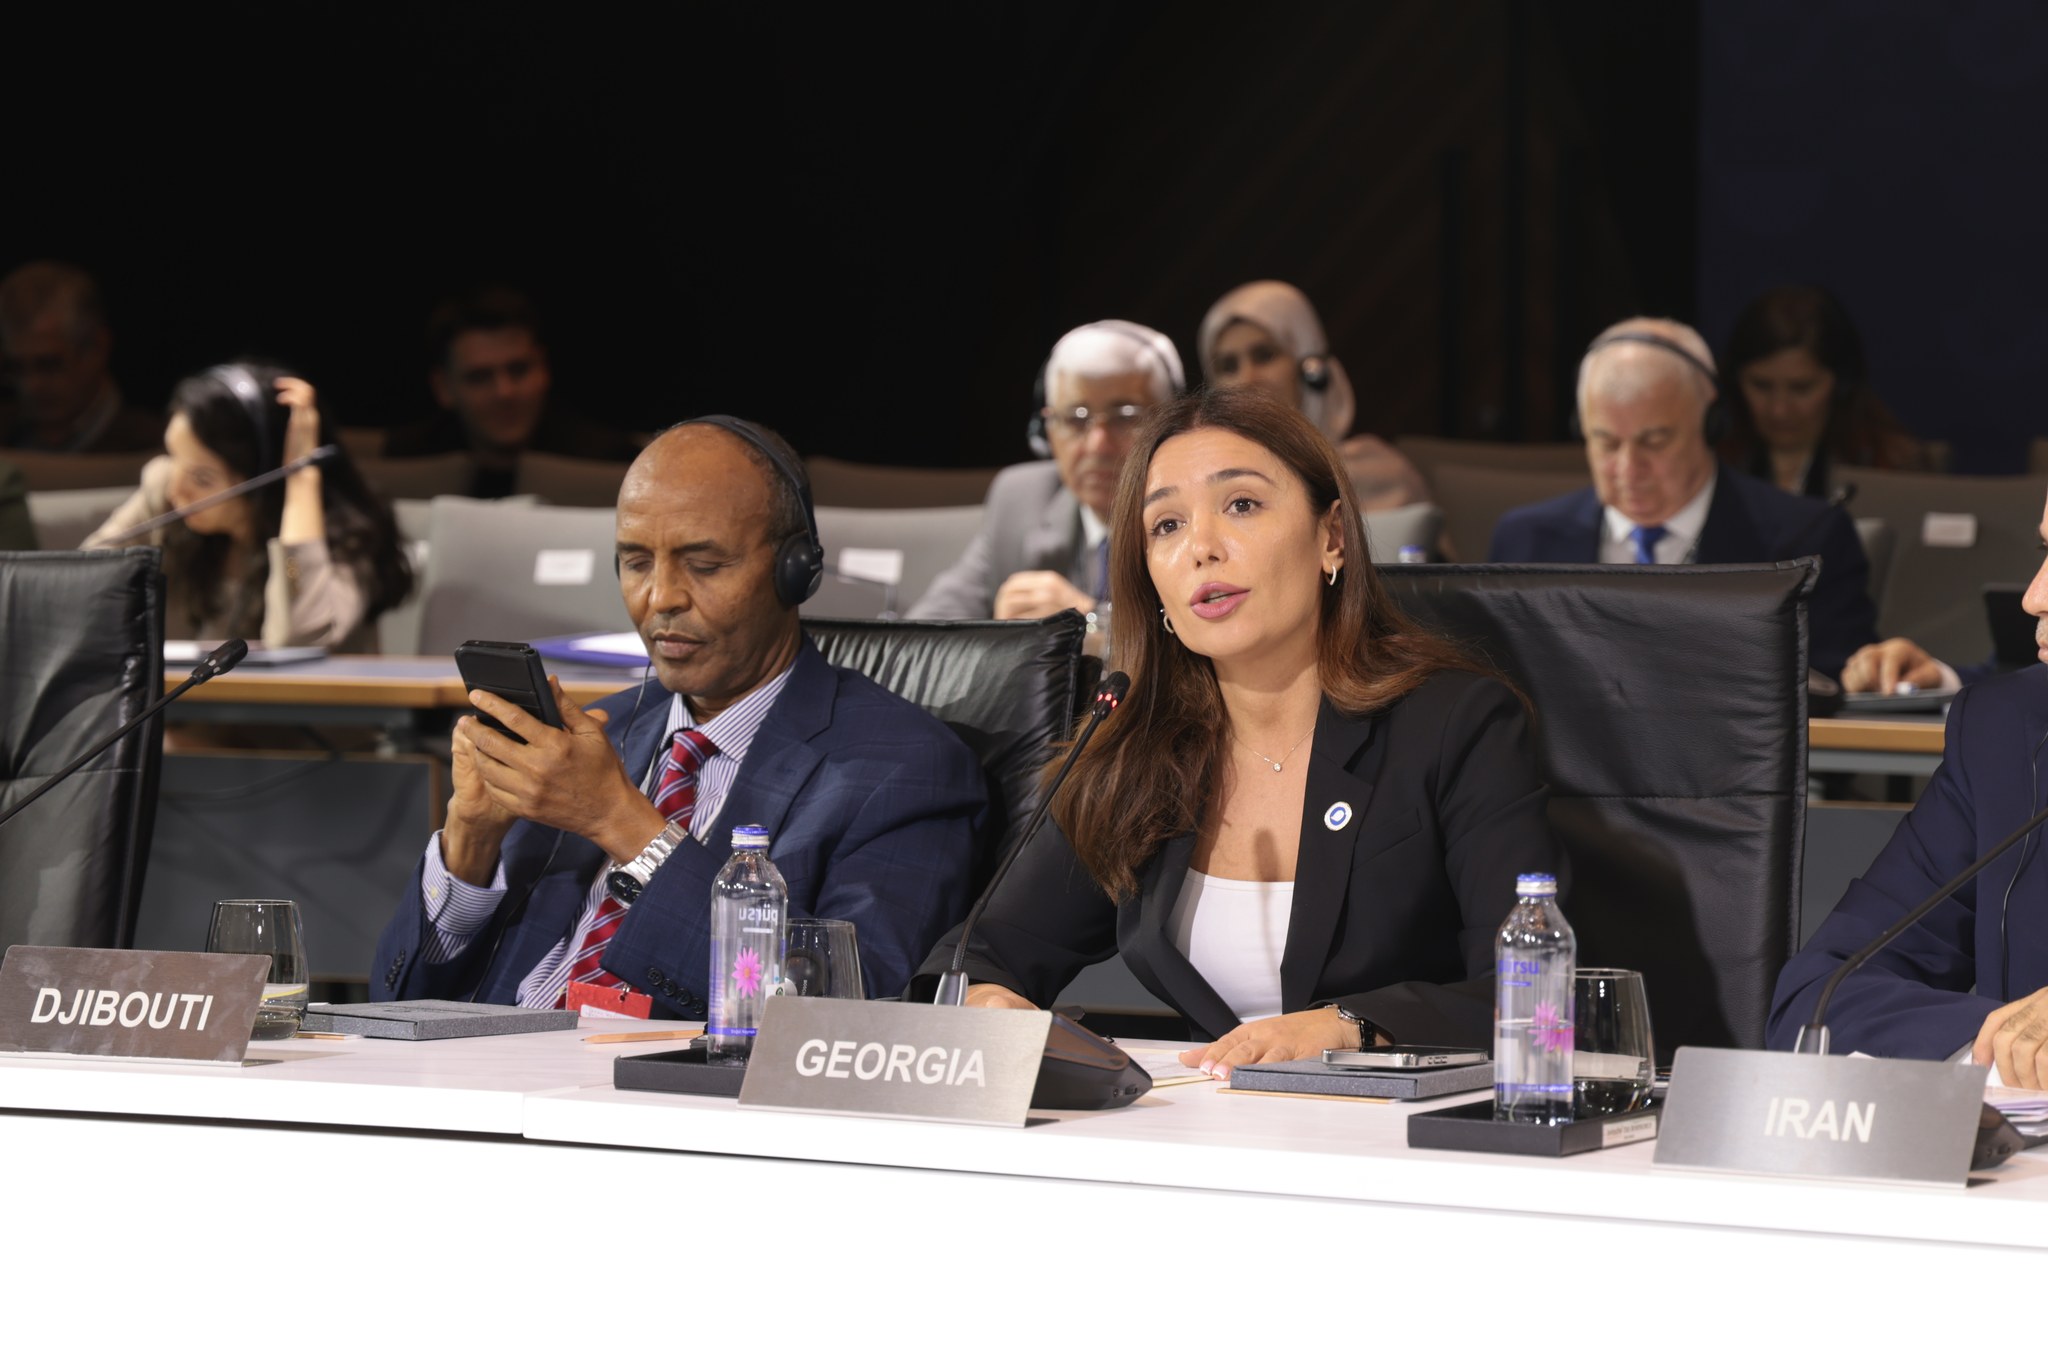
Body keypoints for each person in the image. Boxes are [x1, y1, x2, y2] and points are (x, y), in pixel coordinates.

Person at [913, 387, 1563, 1077]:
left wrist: (1349, 1027)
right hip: (1212, 1126)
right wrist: (985, 1003)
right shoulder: (1135, 749)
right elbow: (980, 955)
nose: (1201, 548)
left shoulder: (1455, 724)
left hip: (1411, 1128)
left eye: (1242, 504)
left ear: (1332, 537)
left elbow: (1533, 992)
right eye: (1166, 525)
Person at [372, 416, 988, 1013]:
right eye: (637, 562)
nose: (661, 597)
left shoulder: (906, 770)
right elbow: (398, 1005)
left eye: (705, 565)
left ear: (795, 571)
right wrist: (471, 840)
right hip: (488, 1065)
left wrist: (620, 821)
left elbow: (841, 1010)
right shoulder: (592, 736)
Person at [1769, 492, 2048, 1087]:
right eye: (2045, 551)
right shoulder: (2006, 731)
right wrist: (2001, 1047)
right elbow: (1820, 995)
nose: (2034, 597)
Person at [1489, 317, 1879, 680]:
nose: (1628, 468)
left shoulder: (1806, 541)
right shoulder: (1525, 541)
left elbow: (1838, 687)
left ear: (1711, 424)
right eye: (1606, 442)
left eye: (1654, 441)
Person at [82, 361, 414, 650]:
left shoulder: (347, 534)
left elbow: (299, 638)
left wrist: (300, 479)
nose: (176, 489)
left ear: (265, 477)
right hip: (193, 706)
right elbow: (82, 581)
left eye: (202, 478)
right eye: (173, 456)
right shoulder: (167, 492)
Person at [907, 319, 1183, 644]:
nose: (1098, 445)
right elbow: (919, 637)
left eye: (1125, 417)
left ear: (1172, 426)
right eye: (1075, 418)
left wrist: (1094, 627)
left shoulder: (1196, 514)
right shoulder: (1021, 499)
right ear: (1046, 432)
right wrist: (999, 643)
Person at [1197, 279, 1428, 511]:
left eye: (1265, 355)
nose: (1247, 379)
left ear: (1311, 369)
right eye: (1228, 366)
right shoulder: (1200, 482)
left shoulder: (1378, 474)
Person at [383, 285, 636, 496]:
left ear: (544, 369)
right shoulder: (407, 462)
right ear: (444, 387)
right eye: (479, 377)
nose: (505, 392)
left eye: (518, 370)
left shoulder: (605, 462)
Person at [1720, 283, 1934, 500]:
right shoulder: (1712, 464)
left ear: (1842, 384)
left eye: (1801, 388)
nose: (1779, 410)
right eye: (1761, 385)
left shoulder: (1891, 467)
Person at [0, 260, 161, 453]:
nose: (30, 385)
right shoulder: (7, 432)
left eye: (49, 365)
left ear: (97, 348)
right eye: (15, 368)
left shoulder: (155, 447)